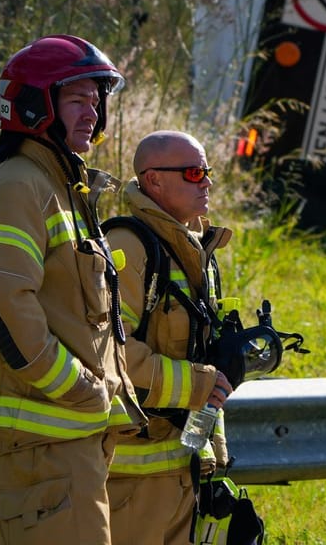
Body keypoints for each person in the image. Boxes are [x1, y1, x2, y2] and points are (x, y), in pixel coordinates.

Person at [0, 34, 146, 545]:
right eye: (76, 99)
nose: (91, 112)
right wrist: (79, 389)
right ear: (32, 106)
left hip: (67, 441)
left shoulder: (61, 189)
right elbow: (0, 301)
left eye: (96, 100)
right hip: (44, 440)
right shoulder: (19, 185)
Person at [104, 130, 234, 545]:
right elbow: (110, 354)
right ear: (154, 180)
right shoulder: (127, 247)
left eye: (207, 172)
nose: (207, 183)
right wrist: (202, 383)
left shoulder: (194, 250)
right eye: (195, 173)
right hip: (131, 478)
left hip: (185, 467)